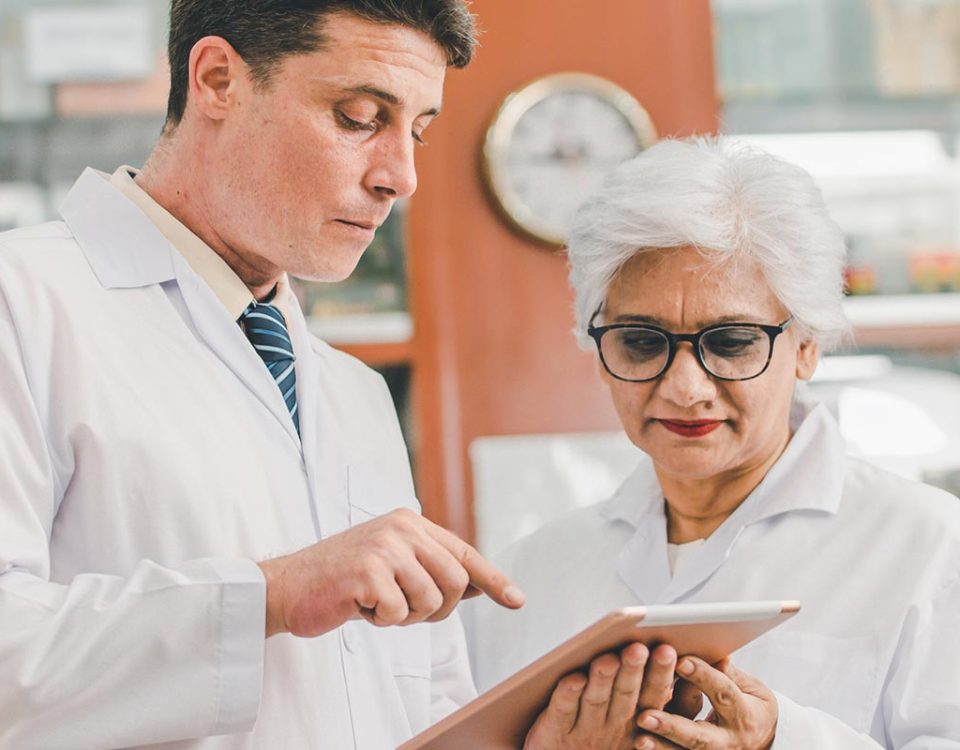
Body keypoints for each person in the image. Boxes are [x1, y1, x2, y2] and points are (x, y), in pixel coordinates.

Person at [0, 2, 528, 748]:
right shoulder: (20, 304)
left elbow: (420, 701)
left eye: (417, 131)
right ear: (217, 79)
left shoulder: (354, 393)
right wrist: (272, 596)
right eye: (358, 116)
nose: (402, 177)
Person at [467, 136, 960, 748]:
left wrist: (785, 739)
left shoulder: (933, 548)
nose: (684, 387)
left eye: (730, 342)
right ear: (597, 348)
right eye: (641, 342)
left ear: (807, 345)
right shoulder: (528, 577)